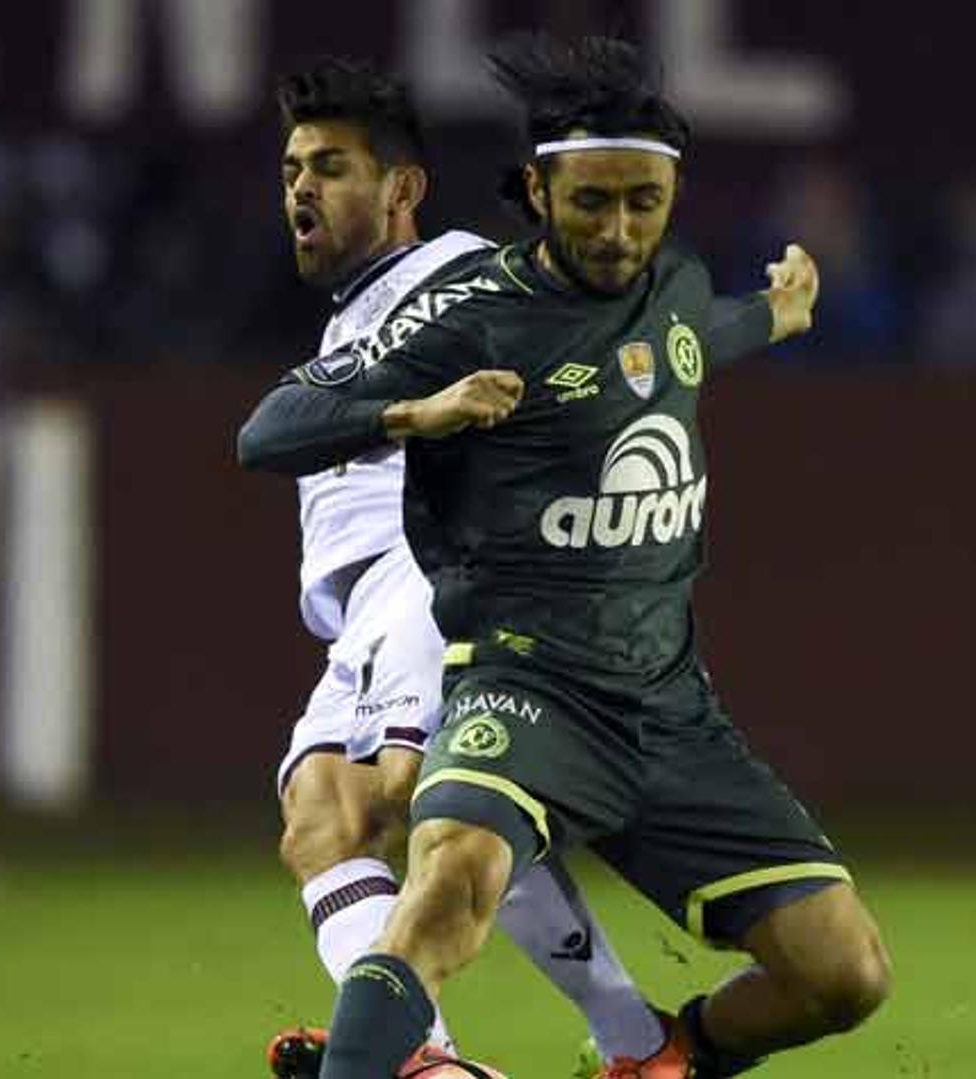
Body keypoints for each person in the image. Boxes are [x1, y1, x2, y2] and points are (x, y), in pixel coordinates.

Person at [237, 36, 892, 1079]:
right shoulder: (473, 311)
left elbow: (684, 345)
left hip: (672, 706)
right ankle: (398, 1060)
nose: (620, 229)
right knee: (443, 874)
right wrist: (422, 409)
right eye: (592, 201)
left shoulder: (669, 286)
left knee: (846, 973)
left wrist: (779, 312)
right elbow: (267, 433)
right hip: (526, 685)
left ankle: (655, 1055)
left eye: (645, 201)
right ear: (538, 191)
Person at [248, 57, 672, 1078]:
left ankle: (596, 1046)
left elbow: (570, 344)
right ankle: (477, 1056)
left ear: (402, 189)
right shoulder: (356, 315)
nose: (302, 187)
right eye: (294, 167)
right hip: (363, 609)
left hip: (433, 560)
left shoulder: (460, 272)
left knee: (418, 793)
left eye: (333, 166)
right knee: (319, 815)